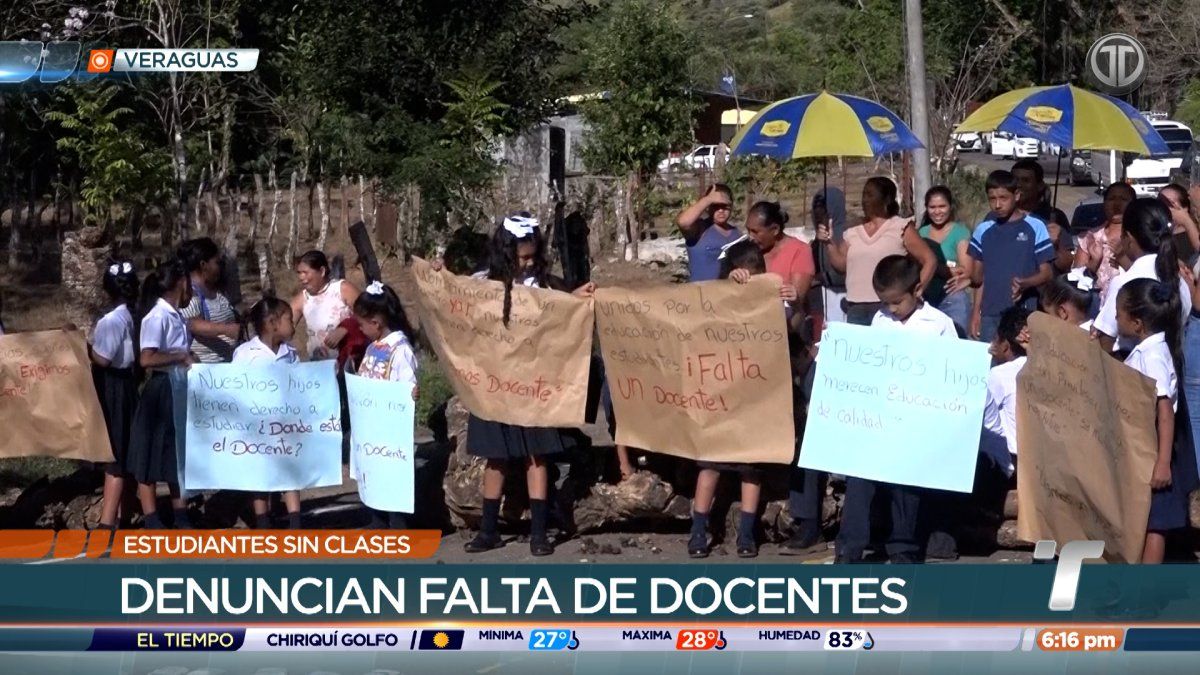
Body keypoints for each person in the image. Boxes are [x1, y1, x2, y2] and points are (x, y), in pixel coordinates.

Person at [463, 213, 596, 557]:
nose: (530, 261)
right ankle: (489, 529)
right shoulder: (483, 283)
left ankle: (540, 533)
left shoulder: (545, 285)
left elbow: (562, 311)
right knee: (496, 457)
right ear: (507, 252)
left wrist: (578, 296)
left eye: (533, 254)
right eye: (523, 255)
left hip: (532, 386)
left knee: (536, 457)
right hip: (495, 387)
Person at [835, 255, 955, 565]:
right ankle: (850, 547)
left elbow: (953, 373)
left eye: (896, 303)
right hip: (879, 418)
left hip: (916, 424)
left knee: (906, 488)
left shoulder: (939, 324)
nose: (890, 309)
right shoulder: (880, 320)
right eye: (884, 303)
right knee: (859, 482)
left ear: (917, 290)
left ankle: (903, 549)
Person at [688, 238, 794, 560]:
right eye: (746, 273)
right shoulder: (716, 298)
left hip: (756, 397)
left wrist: (793, 299)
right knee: (710, 466)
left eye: (757, 273)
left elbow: (789, 327)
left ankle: (747, 532)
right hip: (722, 396)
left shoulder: (772, 297)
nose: (752, 278)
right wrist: (729, 291)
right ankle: (698, 529)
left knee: (751, 467)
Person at [1116, 278, 1197, 563]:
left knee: (1154, 525)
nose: (1115, 319)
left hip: (1156, 454)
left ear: (1137, 323)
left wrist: (1162, 463)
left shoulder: (1153, 357)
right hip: (1144, 451)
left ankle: (1144, 592)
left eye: (1118, 314)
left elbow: (1164, 410)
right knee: (1144, 520)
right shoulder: (1146, 351)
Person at [126, 259, 194, 529]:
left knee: (176, 452)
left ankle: (181, 513)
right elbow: (146, 358)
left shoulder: (177, 316)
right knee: (151, 452)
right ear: (182, 282)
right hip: (162, 389)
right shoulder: (157, 316)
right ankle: (152, 518)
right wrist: (180, 356)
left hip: (179, 387)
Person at [815, 177, 937, 325]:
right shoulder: (852, 230)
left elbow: (929, 260)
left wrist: (916, 291)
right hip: (856, 307)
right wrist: (829, 242)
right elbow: (841, 266)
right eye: (864, 194)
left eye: (871, 194)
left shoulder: (901, 227)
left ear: (886, 198)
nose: (865, 199)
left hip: (889, 307)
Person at [353, 281, 420, 529]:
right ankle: (377, 517)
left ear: (376, 323)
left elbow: (407, 384)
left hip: (391, 427)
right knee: (373, 471)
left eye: (361, 324)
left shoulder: (400, 350)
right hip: (371, 424)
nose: (359, 329)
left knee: (392, 473)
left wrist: (409, 394)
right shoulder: (373, 348)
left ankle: (397, 522)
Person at [232, 296, 302, 529]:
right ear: (273, 323)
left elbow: (301, 384)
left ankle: (295, 520)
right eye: (289, 320)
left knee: (290, 470)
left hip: (286, 425)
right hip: (257, 427)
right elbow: (234, 386)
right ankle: (262, 520)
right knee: (258, 472)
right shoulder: (245, 354)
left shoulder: (290, 353)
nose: (294, 324)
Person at [1092, 198, 1191, 354]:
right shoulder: (1181, 282)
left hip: (1131, 372)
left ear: (1128, 239)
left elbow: (1105, 338)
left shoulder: (1124, 283)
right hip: (1172, 372)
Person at [967, 170, 1056, 343]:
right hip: (989, 313)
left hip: (1023, 313)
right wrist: (976, 313)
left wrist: (1025, 283)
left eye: (1003, 198)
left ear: (1016, 195)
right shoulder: (983, 230)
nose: (998, 205)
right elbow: (979, 279)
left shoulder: (1035, 226)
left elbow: (1047, 273)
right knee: (992, 363)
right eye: (992, 199)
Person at [90, 261, 140, 530]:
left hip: (114, 388)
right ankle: (124, 515)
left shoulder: (110, 322)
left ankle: (107, 524)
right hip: (126, 385)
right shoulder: (131, 316)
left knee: (115, 455)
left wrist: (83, 348)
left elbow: (103, 359)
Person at [743, 200, 814, 330]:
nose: (750, 237)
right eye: (748, 230)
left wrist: (794, 297)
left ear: (775, 229)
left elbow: (796, 300)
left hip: (787, 333)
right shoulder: (748, 250)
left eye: (755, 231)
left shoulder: (800, 251)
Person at [980, 307, 1030, 480]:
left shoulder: (999, 374)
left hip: (1012, 462)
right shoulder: (1042, 369)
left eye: (995, 339)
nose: (991, 345)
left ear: (1005, 346)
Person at [917, 186, 973, 331]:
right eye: (932, 207)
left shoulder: (960, 232)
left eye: (942, 206)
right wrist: (948, 268)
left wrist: (934, 266)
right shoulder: (921, 233)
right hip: (925, 299)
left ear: (950, 206)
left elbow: (965, 270)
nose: (937, 211)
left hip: (952, 299)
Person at [289, 250, 361, 361]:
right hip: (319, 366)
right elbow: (284, 327)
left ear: (322, 271)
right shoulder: (301, 299)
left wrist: (346, 328)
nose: (301, 277)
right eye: (299, 273)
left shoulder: (343, 289)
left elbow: (368, 315)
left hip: (349, 362)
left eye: (305, 272)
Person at [178, 237, 240, 363]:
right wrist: (226, 330)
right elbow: (192, 324)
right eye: (217, 263)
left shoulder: (219, 291)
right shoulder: (190, 294)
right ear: (203, 265)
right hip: (204, 370)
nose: (220, 268)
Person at [1074, 182, 1136, 304]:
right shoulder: (1090, 237)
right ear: (1104, 203)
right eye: (1111, 199)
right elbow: (1075, 280)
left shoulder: (1139, 236)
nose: (1117, 204)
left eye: (1123, 199)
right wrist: (1094, 262)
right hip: (1094, 305)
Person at [1012, 158, 1073, 272]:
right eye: (1015, 180)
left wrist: (1056, 246)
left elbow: (1067, 265)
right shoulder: (998, 216)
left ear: (1039, 185)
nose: (1019, 185)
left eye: (1025, 180)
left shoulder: (1054, 217)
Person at [676, 184, 741, 282]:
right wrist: (708, 199)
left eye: (725, 206)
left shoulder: (737, 234)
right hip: (700, 294)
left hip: (727, 294)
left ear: (731, 206)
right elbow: (683, 222)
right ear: (708, 207)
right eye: (716, 206)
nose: (721, 210)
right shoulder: (700, 229)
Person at [811, 187, 848, 328]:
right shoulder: (817, 239)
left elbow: (846, 271)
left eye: (822, 207)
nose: (818, 212)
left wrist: (821, 277)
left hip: (843, 298)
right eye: (816, 207)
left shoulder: (847, 235)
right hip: (821, 301)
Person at [1159, 183, 1200, 270]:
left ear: (1185, 208)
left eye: (1169, 203)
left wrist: (1186, 220)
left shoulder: (1190, 238)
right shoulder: (1161, 236)